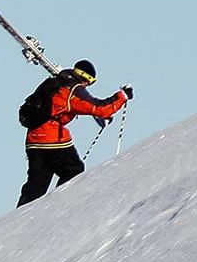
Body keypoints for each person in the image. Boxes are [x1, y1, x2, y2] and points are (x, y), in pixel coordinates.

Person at [16, 59, 132, 207]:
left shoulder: (58, 81)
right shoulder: (73, 90)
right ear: (86, 79)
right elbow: (100, 107)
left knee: (36, 187)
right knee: (73, 170)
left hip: (33, 138)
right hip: (52, 139)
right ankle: (57, 208)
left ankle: (18, 218)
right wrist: (122, 96)